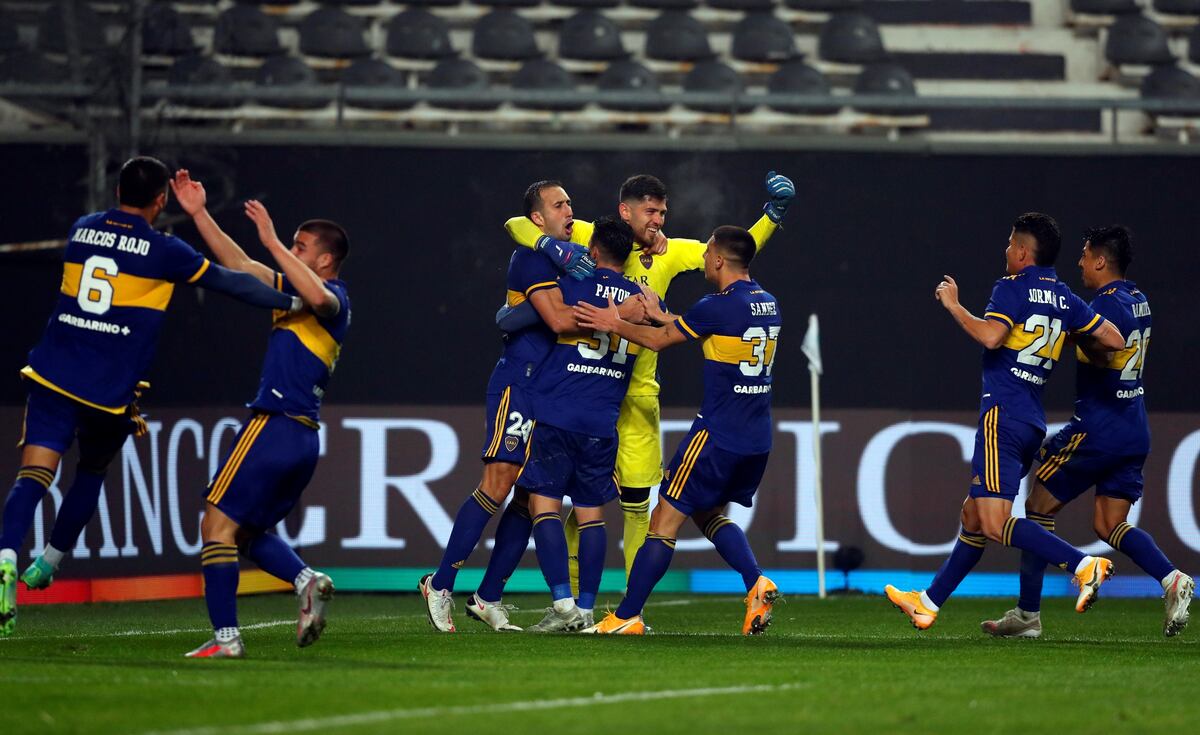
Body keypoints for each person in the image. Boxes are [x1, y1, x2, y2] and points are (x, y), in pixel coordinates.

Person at [0, 157, 301, 637]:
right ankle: (50, 561)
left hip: (53, 375)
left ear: (117, 189)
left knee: (33, 477)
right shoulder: (166, 251)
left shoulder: (82, 230)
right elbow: (232, 283)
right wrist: (293, 300)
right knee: (91, 471)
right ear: (161, 200)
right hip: (106, 393)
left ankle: (7, 557)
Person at [502, 172, 795, 592]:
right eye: (651, 212)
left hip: (637, 398)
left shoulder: (672, 252)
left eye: (662, 212)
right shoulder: (594, 234)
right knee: (577, 502)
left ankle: (630, 604)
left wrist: (772, 216)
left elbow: (736, 252)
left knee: (638, 506)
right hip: (588, 391)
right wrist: (550, 246)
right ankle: (567, 601)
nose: (658, 221)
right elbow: (518, 224)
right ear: (626, 211)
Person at [884, 213, 1127, 631]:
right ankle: (927, 602)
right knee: (973, 517)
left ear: (1021, 252)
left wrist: (954, 305)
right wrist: (1068, 333)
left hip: (1003, 413)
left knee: (995, 522)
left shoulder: (1012, 288)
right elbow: (1114, 339)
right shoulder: (1065, 297)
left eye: (1009, 244)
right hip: (1032, 418)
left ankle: (1083, 564)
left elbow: (991, 336)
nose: (1005, 251)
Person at [419, 181, 642, 633]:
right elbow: (558, 319)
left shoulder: (571, 259)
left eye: (570, 204)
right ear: (538, 218)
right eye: (559, 205)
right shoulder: (533, 257)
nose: (570, 211)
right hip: (518, 386)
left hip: (551, 393)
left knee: (528, 499)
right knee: (498, 484)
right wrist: (617, 313)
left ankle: (488, 597)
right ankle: (440, 583)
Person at [166, 171, 350, 658]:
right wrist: (199, 213)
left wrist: (271, 239)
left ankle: (227, 638)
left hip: (274, 425)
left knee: (214, 525)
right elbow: (237, 263)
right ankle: (305, 579)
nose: (291, 248)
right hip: (300, 437)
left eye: (300, 245)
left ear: (325, 259)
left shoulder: (335, 300)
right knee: (245, 533)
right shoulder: (291, 295)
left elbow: (317, 296)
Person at [981, 225, 1192, 639]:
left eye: (1084, 255)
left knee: (1038, 503)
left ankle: (1027, 614)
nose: (1079, 263)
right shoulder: (1139, 299)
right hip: (1134, 428)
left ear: (1100, 260)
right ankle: (1172, 579)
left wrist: (1069, 326)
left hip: (1099, 428)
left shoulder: (1105, 305)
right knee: (1109, 523)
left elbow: (1105, 346)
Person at [574, 226, 782, 635]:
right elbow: (699, 327)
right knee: (707, 514)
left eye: (707, 254)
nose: (703, 259)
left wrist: (613, 322)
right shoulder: (767, 302)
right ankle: (756, 581)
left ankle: (626, 615)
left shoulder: (715, 305)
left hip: (716, 435)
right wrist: (660, 313)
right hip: (756, 439)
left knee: (662, 521)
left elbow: (656, 341)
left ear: (719, 259)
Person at [515, 216, 644, 632]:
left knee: (543, 505)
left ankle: (563, 606)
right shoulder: (643, 299)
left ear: (592, 253)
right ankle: (588, 609)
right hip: (604, 419)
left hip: (559, 411)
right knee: (592, 515)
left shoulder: (573, 285)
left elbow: (542, 319)